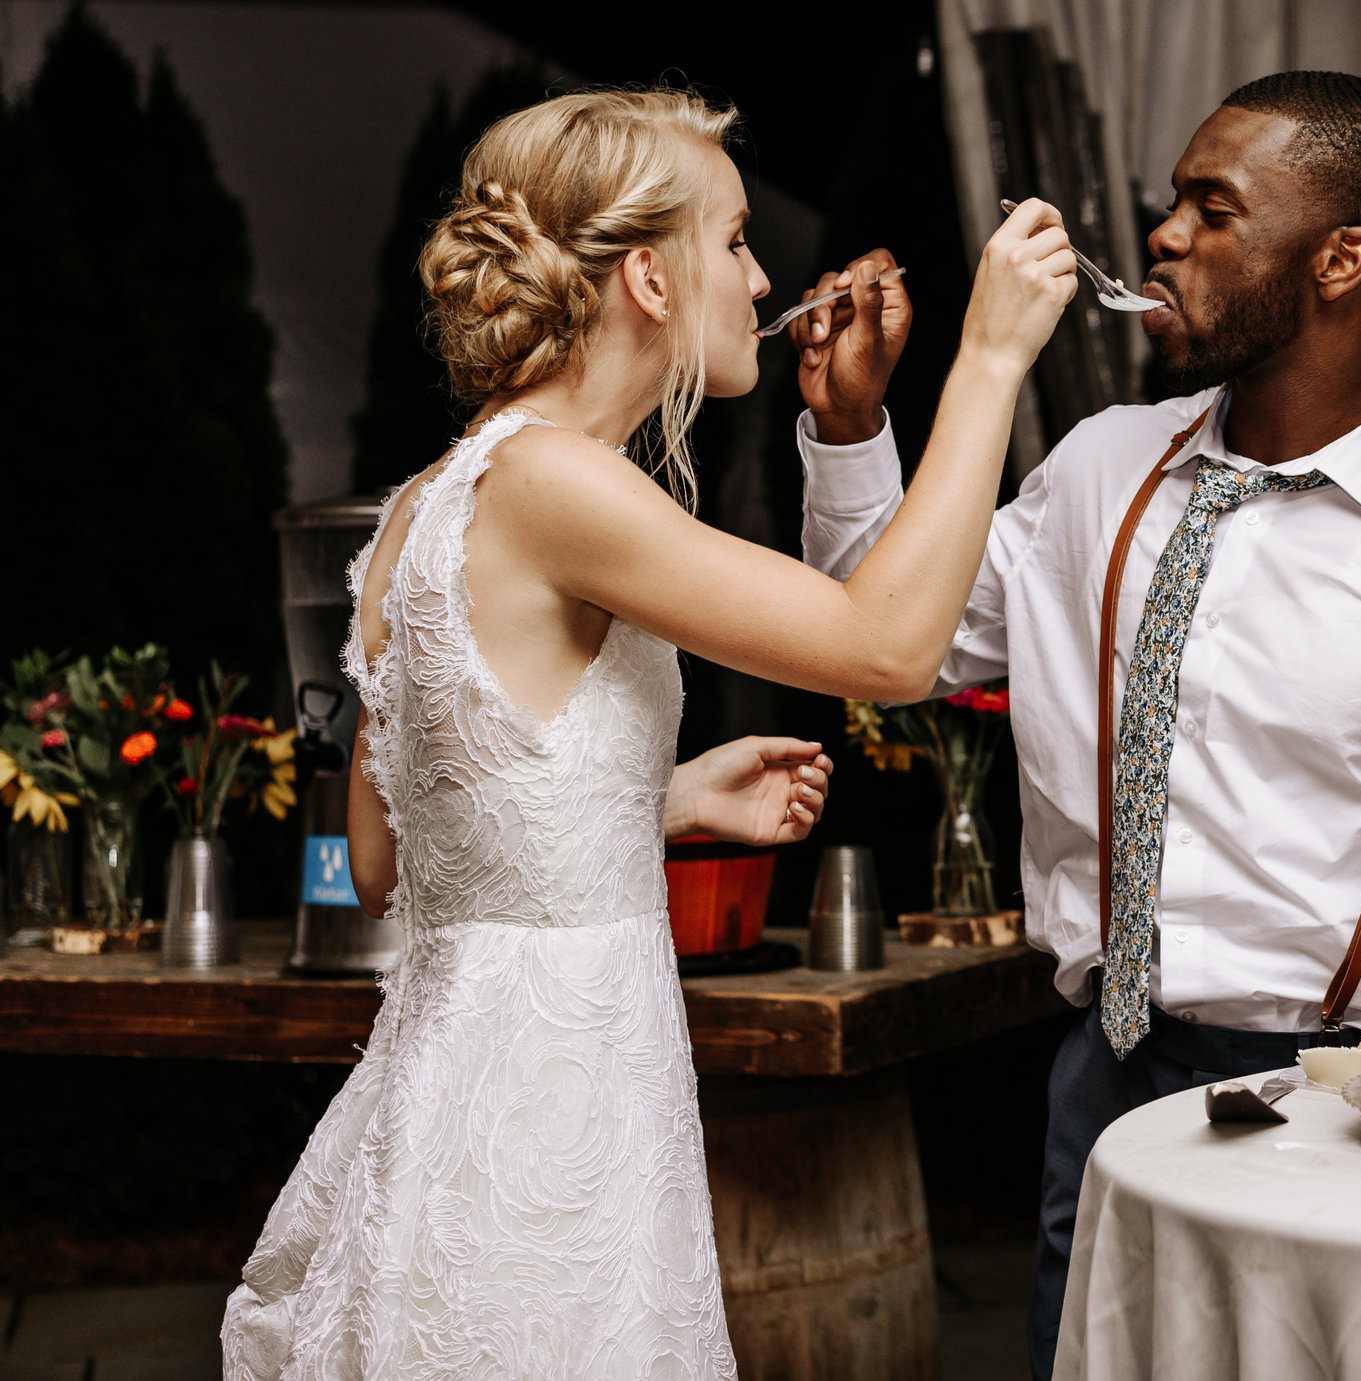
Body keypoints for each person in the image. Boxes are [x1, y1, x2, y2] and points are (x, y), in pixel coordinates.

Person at [220, 88, 1079, 1379]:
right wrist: (993, 360)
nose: (764, 275)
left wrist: (652, 797)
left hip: (448, 1093)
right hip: (555, 1118)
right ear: (650, 280)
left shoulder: (429, 501)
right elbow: (890, 648)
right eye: (733, 241)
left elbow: (394, 856)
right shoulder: (564, 481)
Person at [787, 70, 1361, 1377]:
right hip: (1107, 1079)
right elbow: (898, 651)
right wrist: (848, 435)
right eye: (1171, 201)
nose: (1163, 235)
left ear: (1342, 260)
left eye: (1212, 208)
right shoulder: (1097, 469)